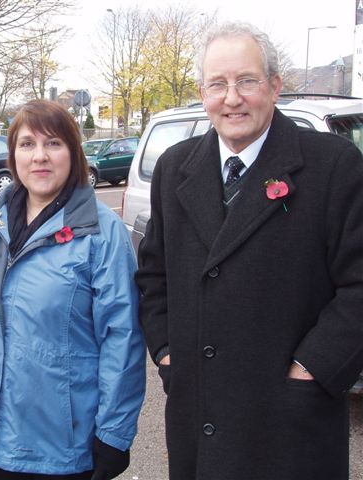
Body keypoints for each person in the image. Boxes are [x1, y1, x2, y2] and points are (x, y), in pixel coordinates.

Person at [135, 21, 363, 480]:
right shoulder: (175, 168)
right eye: (218, 84)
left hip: (290, 421)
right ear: (202, 93)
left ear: (275, 86)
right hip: (201, 414)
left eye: (247, 81)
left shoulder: (332, 164)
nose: (232, 98)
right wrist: (166, 353)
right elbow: (153, 276)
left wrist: (312, 370)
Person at [0, 99, 146, 479]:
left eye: (54, 144)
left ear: (73, 153)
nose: (39, 157)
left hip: (64, 448)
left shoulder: (101, 231)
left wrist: (113, 433)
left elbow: (122, 336)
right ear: (13, 156)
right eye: (27, 144)